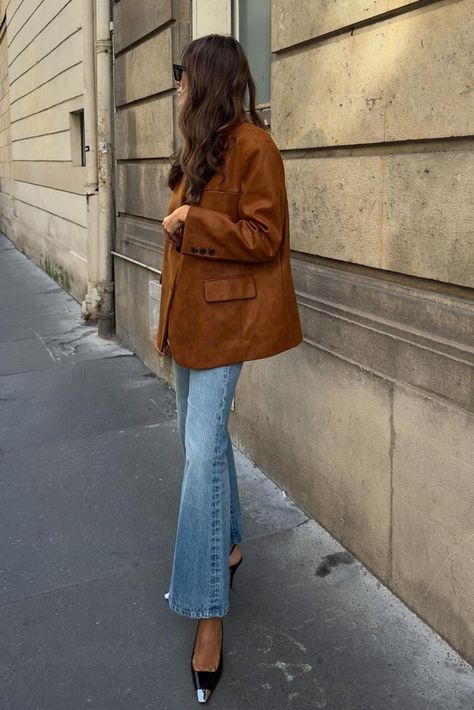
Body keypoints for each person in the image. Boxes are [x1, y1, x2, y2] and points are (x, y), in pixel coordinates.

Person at [154, 34, 303, 703]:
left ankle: (206, 614)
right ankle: (233, 544)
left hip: (227, 328)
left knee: (199, 462)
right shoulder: (202, 146)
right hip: (190, 327)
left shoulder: (255, 147)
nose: (176, 85)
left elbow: (266, 239)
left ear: (207, 78)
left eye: (182, 75)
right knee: (206, 448)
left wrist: (194, 218)